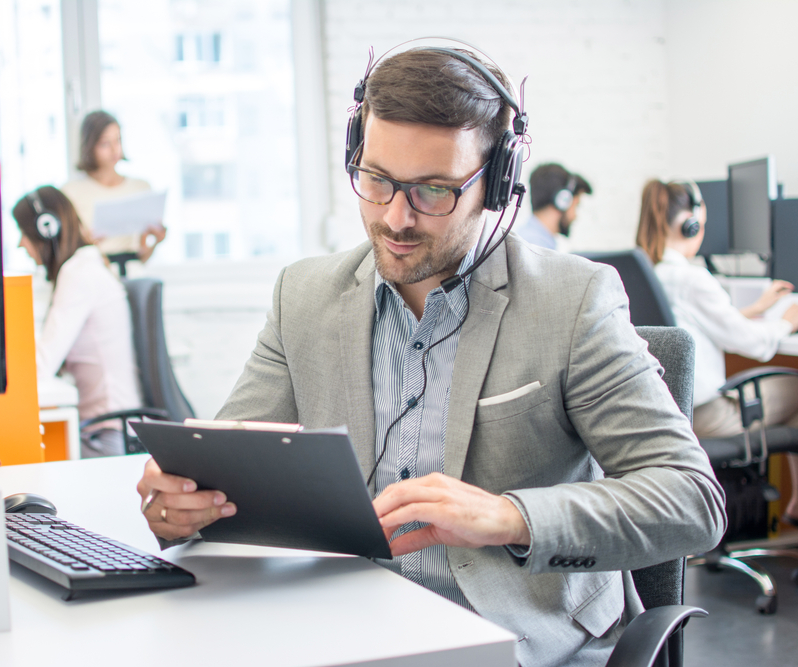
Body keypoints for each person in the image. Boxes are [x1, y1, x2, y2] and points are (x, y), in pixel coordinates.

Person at [136, 45, 724, 666]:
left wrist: (510, 516)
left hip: (515, 637)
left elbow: (691, 499)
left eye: (433, 191)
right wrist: (184, 505)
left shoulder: (573, 300)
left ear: (497, 185)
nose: (395, 217)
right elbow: (233, 472)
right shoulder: (303, 297)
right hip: (350, 628)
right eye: (377, 179)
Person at [637, 179, 798, 533]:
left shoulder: (648, 272)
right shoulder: (693, 278)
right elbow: (753, 344)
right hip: (711, 416)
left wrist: (756, 308)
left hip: (671, 413)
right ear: (690, 224)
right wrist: (786, 322)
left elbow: (705, 322)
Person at [13, 186, 143, 458]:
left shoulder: (79, 274)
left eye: (23, 233)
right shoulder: (83, 267)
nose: (20, 244)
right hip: (104, 428)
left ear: (46, 228)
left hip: (107, 434)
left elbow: (41, 366)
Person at [61, 110, 166, 265]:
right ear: (90, 146)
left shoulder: (141, 187)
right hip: (92, 273)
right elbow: (66, 254)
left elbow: (141, 257)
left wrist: (156, 241)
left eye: (117, 140)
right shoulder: (71, 192)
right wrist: (86, 245)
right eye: (105, 143)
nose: (114, 150)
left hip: (131, 274)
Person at [516, 162, 592, 250]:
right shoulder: (537, 248)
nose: (575, 216)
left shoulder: (529, 241)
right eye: (576, 206)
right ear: (562, 201)